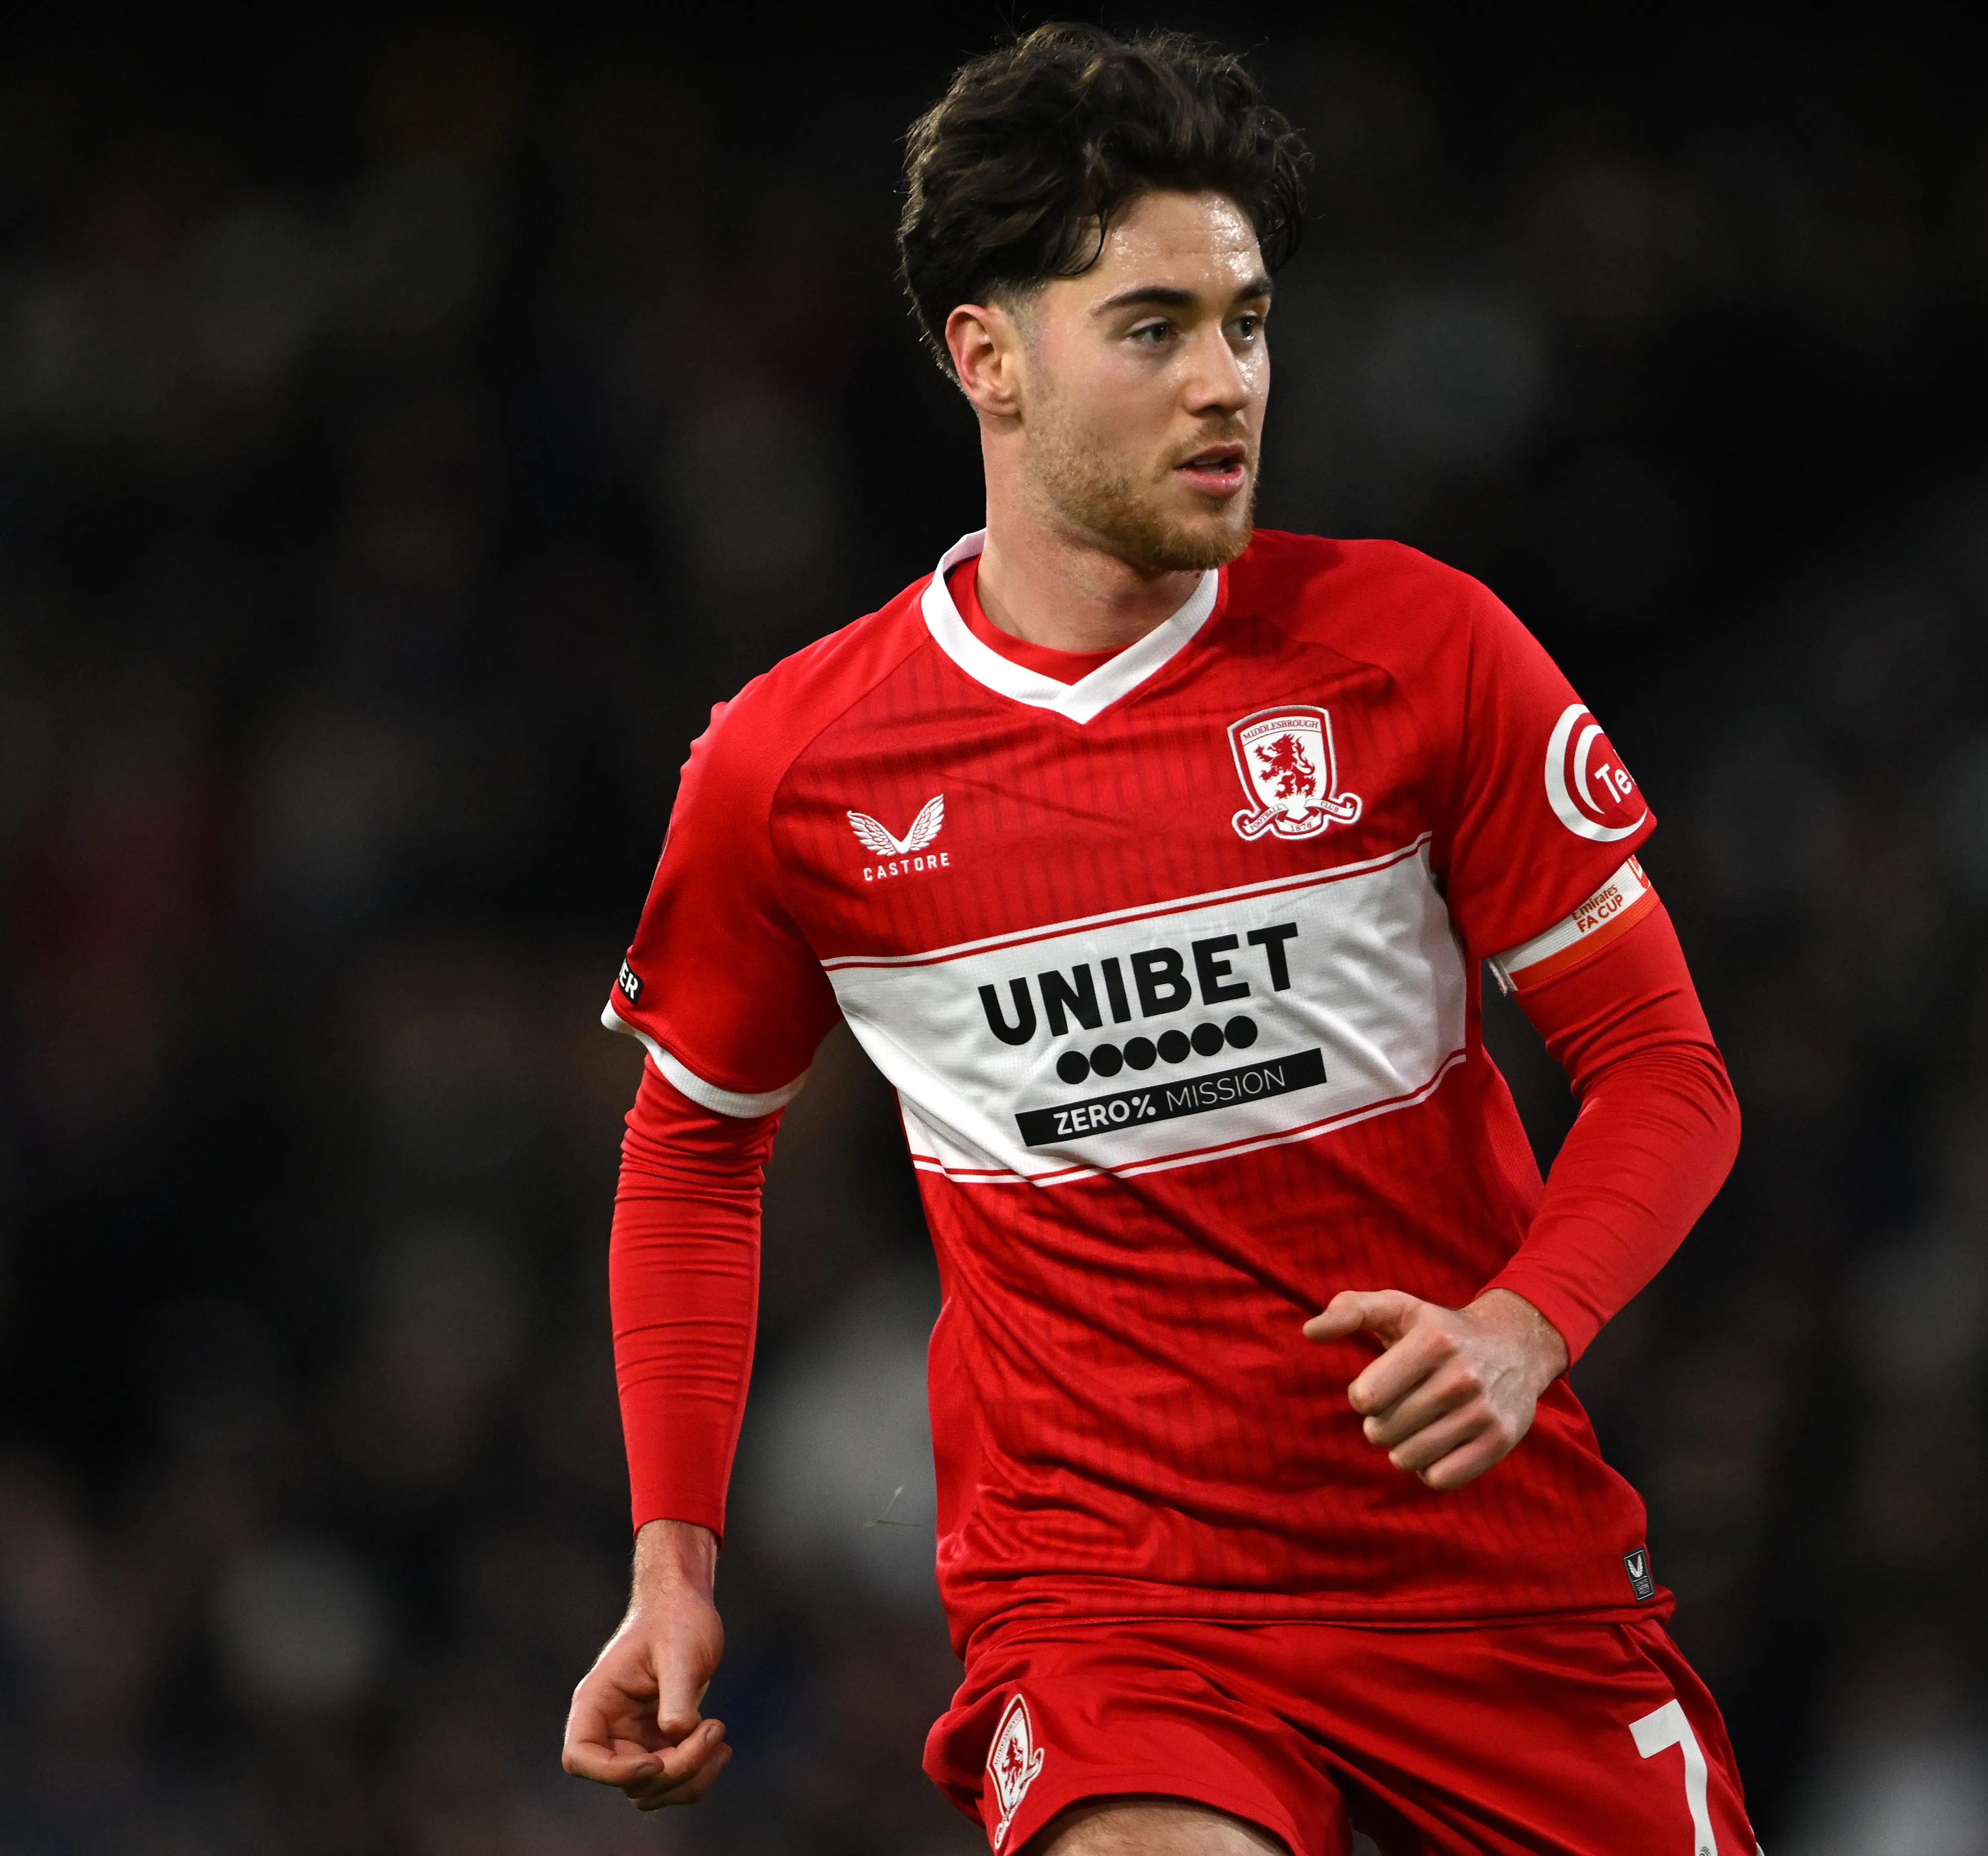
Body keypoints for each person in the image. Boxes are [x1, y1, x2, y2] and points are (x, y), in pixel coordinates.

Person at [559, 24, 1752, 1855]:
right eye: (1152, 328)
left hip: (1487, 1583)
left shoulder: (1419, 650)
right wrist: (672, 1564)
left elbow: (1665, 1069)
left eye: (1246, 323)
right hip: (1115, 1612)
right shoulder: (795, 767)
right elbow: (694, 1153)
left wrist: (1524, 1326)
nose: (1225, 383)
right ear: (988, 357)